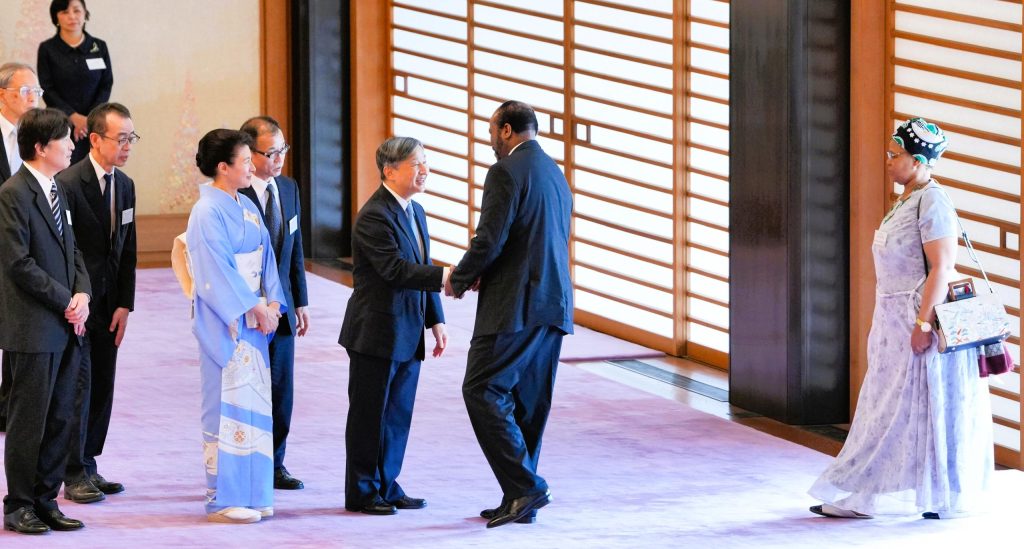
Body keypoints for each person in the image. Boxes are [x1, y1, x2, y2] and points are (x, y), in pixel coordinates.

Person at [808, 118, 993, 519]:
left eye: (896, 155)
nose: (889, 161)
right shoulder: (908, 198)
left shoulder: (933, 201)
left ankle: (884, 496)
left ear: (919, 160)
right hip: (893, 319)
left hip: (917, 318)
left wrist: (923, 325)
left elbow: (942, 267)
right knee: (888, 406)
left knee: (915, 408)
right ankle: (868, 495)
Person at [444, 100, 573, 528]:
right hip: (552, 303)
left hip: (515, 305)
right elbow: (532, 238)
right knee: (529, 402)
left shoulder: (505, 172)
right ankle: (519, 495)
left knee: (482, 388)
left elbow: (491, 238)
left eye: (490, 132)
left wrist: (461, 278)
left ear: (506, 130)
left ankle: (526, 487)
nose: (490, 141)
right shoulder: (554, 172)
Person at [339, 136, 448, 516]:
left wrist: (436, 319)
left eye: (425, 162)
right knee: (370, 416)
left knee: (397, 416)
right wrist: (448, 277)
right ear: (389, 171)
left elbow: (422, 263)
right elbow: (396, 270)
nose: (425, 170)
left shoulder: (415, 211)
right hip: (376, 331)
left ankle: (387, 483)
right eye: (416, 164)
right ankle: (363, 491)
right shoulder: (374, 215)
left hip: (408, 330)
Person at [186, 129, 286, 524]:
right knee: (225, 406)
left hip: (255, 319)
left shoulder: (246, 205)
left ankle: (255, 492)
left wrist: (273, 301)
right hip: (227, 321)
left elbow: (266, 259)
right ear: (223, 167)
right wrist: (253, 306)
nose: (251, 166)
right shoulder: (206, 211)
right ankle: (222, 498)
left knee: (254, 404)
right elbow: (214, 271)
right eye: (245, 161)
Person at [0, 107, 91, 534]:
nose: (72, 145)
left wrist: (83, 294)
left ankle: (45, 499)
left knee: (60, 417)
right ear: (40, 147)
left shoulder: (58, 189)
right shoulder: (13, 193)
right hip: (34, 325)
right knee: (29, 420)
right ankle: (18, 504)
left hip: (66, 323)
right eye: (64, 139)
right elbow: (18, 263)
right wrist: (66, 301)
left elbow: (73, 251)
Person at [57, 102, 138, 503]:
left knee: (103, 383)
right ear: (94, 138)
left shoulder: (125, 185)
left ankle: (89, 462)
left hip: (109, 304)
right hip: (78, 301)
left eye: (131, 138)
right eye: (120, 138)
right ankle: (72, 471)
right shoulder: (68, 183)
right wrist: (74, 299)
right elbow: (64, 250)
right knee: (78, 386)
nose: (127, 146)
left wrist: (125, 303)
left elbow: (128, 246)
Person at [238, 116, 309, 491]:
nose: (279, 158)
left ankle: (276, 463)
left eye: (283, 149)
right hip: (248, 310)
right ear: (249, 153)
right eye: (271, 152)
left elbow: (294, 250)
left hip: (282, 308)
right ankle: (247, 462)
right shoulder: (235, 193)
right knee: (248, 389)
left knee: (282, 391)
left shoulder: (288, 188)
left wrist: (300, 301)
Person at [0, 61, 44, 432]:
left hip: (28, 246)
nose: (33, 99)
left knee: (18, 323)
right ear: (3, 95)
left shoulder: (41, 138)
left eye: (37, 92)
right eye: (26, 92)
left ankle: (8, 405)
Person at [37, 0, 113, 165]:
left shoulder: (99, 46)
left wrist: (88, 120)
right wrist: (73, 117)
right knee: (62, 172)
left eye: (77, 11)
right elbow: (47, 88)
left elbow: (106, 84)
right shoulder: (47, 49)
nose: (72, 16)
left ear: (85, 14)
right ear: (56, 17)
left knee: (94, 171)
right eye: (65, 12)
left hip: (94, 126)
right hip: (59, 124)